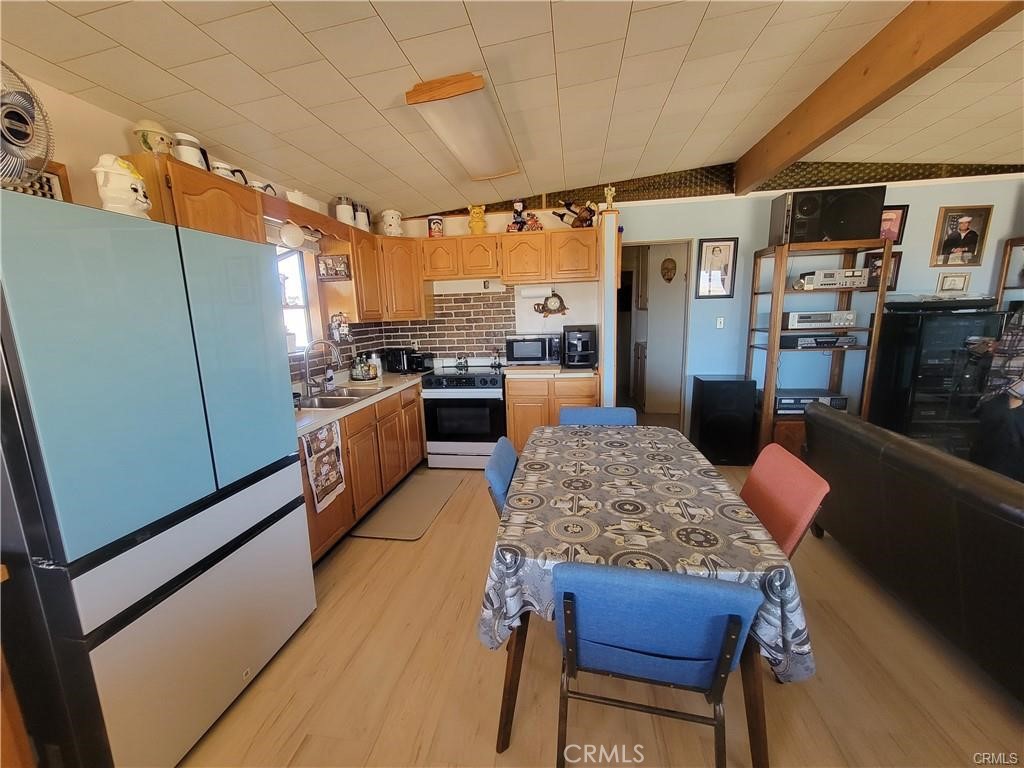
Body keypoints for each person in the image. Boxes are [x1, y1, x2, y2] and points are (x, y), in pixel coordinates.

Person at [969, 303, 1024, 481]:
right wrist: (1000, 347)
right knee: (982, 470)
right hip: (1000, 395)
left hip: (1012, 400)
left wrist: (1014, 398)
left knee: (997, 478)